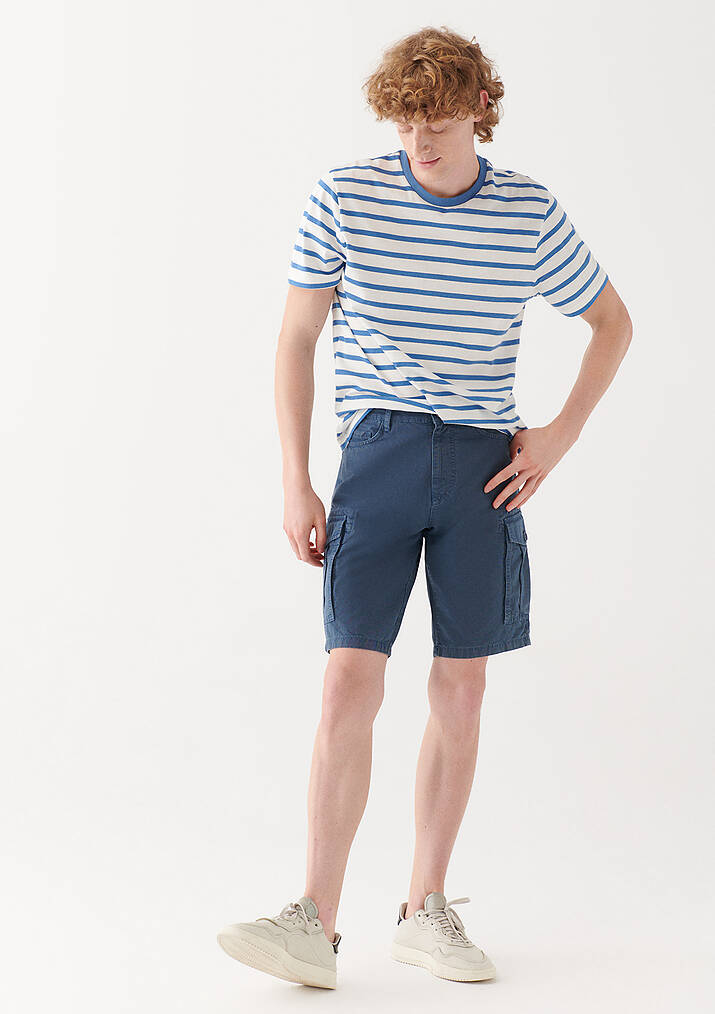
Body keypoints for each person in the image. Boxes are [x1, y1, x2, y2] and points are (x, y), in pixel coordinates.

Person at [217, 25, 632, 988]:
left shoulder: (526, 211)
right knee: (347, 679)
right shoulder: (345, 195)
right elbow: (294, 338)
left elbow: (612, 322)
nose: (420, 146)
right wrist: (294, 477)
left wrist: (558, 434)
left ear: (479, 111)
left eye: (437, 125)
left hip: (486, 464)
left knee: (461, 686)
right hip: (378, 452)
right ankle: (313, 920)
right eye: (405, 127)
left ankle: (425, 907)